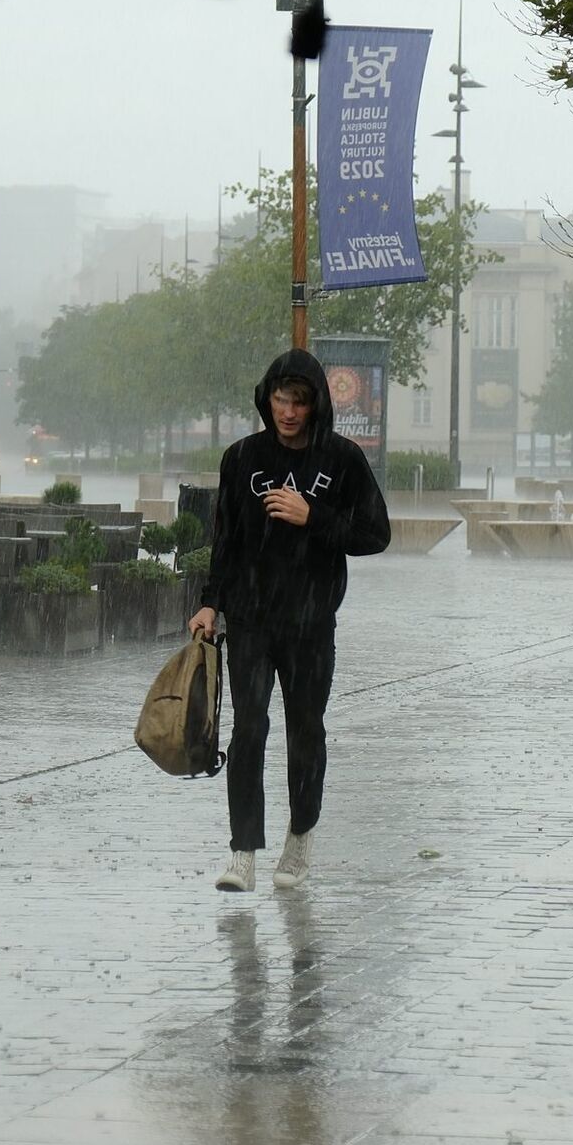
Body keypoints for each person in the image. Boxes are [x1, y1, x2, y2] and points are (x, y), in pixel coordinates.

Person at [188, 348, 391, 893]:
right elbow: (225, 541)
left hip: (310, 626)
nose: (289, 411)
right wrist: (211, 602)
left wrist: (314, 516)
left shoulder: (342, 460)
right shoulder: (241, 459)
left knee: (305, 735)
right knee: (249, 730)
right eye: (281, 398)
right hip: (251, 621)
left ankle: (299, 842)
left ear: (316, 403)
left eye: (300, 401)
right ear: (267, 398)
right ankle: (242, 854)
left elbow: (376, 534)